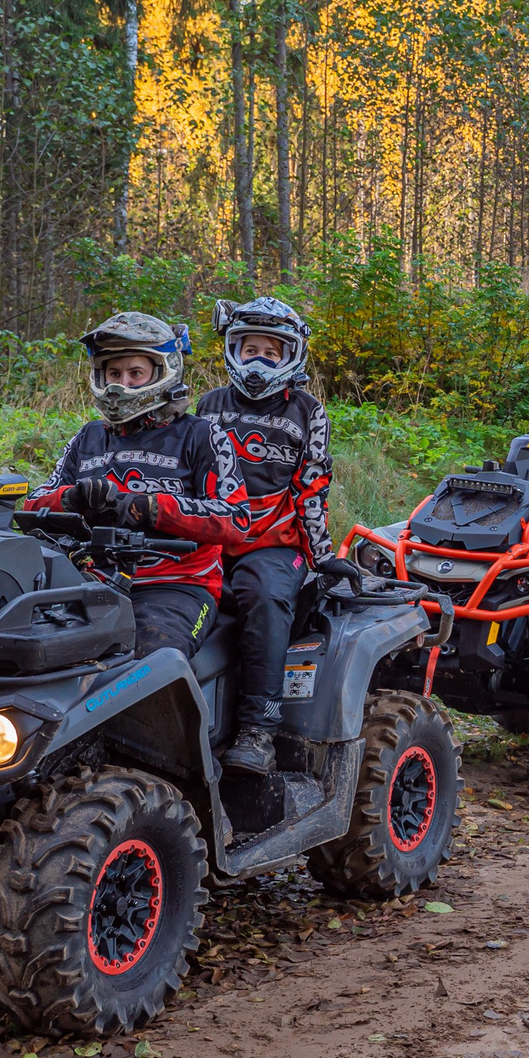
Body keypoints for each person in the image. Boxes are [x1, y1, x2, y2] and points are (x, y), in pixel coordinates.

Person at [26, 312, 262, 768]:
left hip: (176, 587)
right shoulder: (89, 437)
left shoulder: (202, 434)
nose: (121, 383)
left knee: (143, 670)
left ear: (163, 371)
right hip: (87, 581)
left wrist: (148, 507)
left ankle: (189, 778)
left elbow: (236, 519)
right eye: (113, 373)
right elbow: (36, 502)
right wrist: (70, 499)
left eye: (135, 372)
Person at [197, 297, 357, 775]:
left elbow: (312, 487)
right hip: (208, 535)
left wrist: (322, 555)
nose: (259, 360)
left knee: (262, 595)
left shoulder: (308, 411)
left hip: (274, 544)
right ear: (232, 350)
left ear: (292, 356)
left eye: (272, 351)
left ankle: (258, 730)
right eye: (249, 349)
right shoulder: (209, 405)